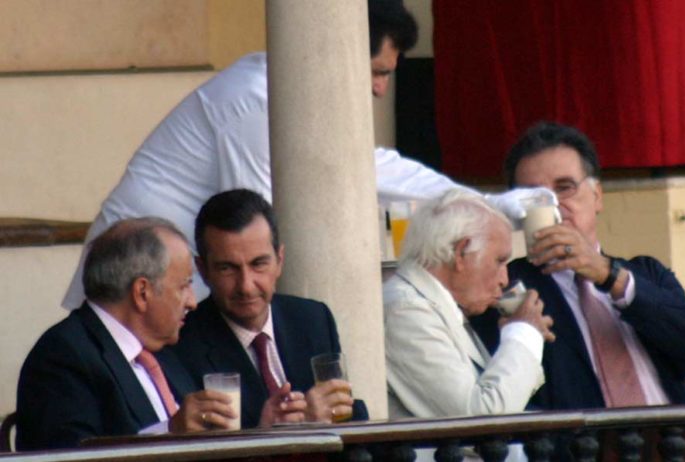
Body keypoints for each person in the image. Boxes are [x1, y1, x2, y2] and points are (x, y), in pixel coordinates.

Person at [61, 0, 556, 308]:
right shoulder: (257, 99)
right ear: (342, 52)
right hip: (135, 279)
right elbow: (255, 223)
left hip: (187, 282)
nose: (381, 91)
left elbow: (378, 168)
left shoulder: (298, 98)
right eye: (376, 73)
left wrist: (492, 204)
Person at [472, 121, 685, 411]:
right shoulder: (505, 286)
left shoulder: (644, 273)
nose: (552, 205)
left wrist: (608, 275)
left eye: (564, 188)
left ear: (597, 196)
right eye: (533, 196)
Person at [16, 218, 237, 450]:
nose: (192, 302)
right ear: (142, 292)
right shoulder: (62, 356)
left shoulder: (164, 351)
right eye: (184, 286)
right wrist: (169, 434)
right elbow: (71, 456)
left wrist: (264, 431)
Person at [171, 189, 368, 428]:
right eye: (227, 268)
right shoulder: (180, 344)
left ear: (280, 261)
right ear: (203, 270)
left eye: (258, 264)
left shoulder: (313, 319)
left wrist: (327, 413)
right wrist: (266, 432)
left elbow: (349, 415)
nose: (246, 286)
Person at [384, 190, 554, 417]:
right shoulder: (405, 311)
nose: (504, 279)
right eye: (499, 261)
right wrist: (523, 333)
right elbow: (481, 417)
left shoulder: (434, 306)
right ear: (461, 252)